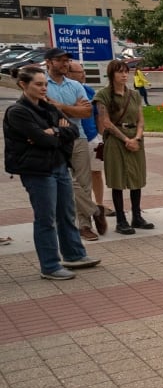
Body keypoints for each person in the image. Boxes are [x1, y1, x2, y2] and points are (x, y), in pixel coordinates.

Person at [3, 66, 102, 280]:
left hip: (59, 165)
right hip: (37, 171)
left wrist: (55, 130)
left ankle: (74, 255)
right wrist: (53, 133)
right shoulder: (18, 111)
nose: (43, 88)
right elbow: (42, 139)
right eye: (38, 84)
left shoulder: (48, 107)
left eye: (45, 84)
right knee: (46, 219)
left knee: (66, 213)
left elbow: (73, 130)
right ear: (23, 85)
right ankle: (50, 266)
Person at [43, 48, 99, 242]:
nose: (65, 64)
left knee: (84, 182)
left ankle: (85, 225)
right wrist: (71, 110)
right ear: (49, 62)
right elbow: (43, 113)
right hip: (53, 140)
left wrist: (60, 107)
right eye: (60, 60)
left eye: (66, 60)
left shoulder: (75, 85)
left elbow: (86, 113)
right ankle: (94, 210)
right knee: (64, 179)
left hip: (78, 136)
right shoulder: (41, 84)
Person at [95, 60, 153, 235]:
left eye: (126, 72)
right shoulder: (103, 94)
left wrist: (136, 137)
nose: (124, 75)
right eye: (120, 72)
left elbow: (140, 119)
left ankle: (137, 215)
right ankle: (121, 220)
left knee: (137, 178)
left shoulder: (134, 94)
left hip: (135, 138)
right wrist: (125, 139)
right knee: (117, 180)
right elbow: (106, 122)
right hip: (116, 140)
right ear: (112, 74)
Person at [67, 61, 106, 232]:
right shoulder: (59, 88)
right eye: (79, 71)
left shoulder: (89, 90)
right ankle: (92, 211)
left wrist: (100, 135)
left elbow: (95, 114)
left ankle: (98, 205)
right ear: (69, 73)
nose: (83, 74)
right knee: (73, 181)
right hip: (70, 139)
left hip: (92, 138)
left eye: (83, 71)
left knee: (95, 174)